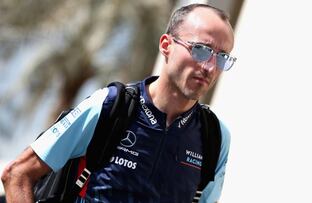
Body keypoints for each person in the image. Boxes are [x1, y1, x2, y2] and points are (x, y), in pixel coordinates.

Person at [1, 3, 237, 203]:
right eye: (201, 50)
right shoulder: (110, 106)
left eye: (222, 57)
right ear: (166, 45)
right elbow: (17, 173)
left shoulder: (214, 137)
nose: (209, 67)